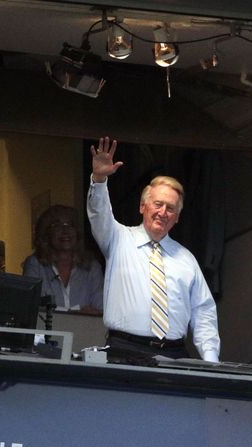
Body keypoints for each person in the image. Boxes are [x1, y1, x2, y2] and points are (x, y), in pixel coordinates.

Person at [86, 136, 220, 362]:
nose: (163, 212)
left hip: (175, 354)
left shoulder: (186, 259)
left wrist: (211, 361)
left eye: (171, 208)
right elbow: (99, 213)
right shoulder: (118, 238)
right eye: (157, 204)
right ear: (142, 206)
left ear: (177, 218)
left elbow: (203, 311)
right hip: (124, 350)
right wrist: (99, 179)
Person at [22, 205, 103, 314]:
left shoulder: (92, 267)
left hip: (86, 330)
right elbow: (31, 309)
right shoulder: (35, 265)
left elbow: (100, 310)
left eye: (70, 225)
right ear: (46, 233)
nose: (65, 231)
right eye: (57, 225)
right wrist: (79, 313)